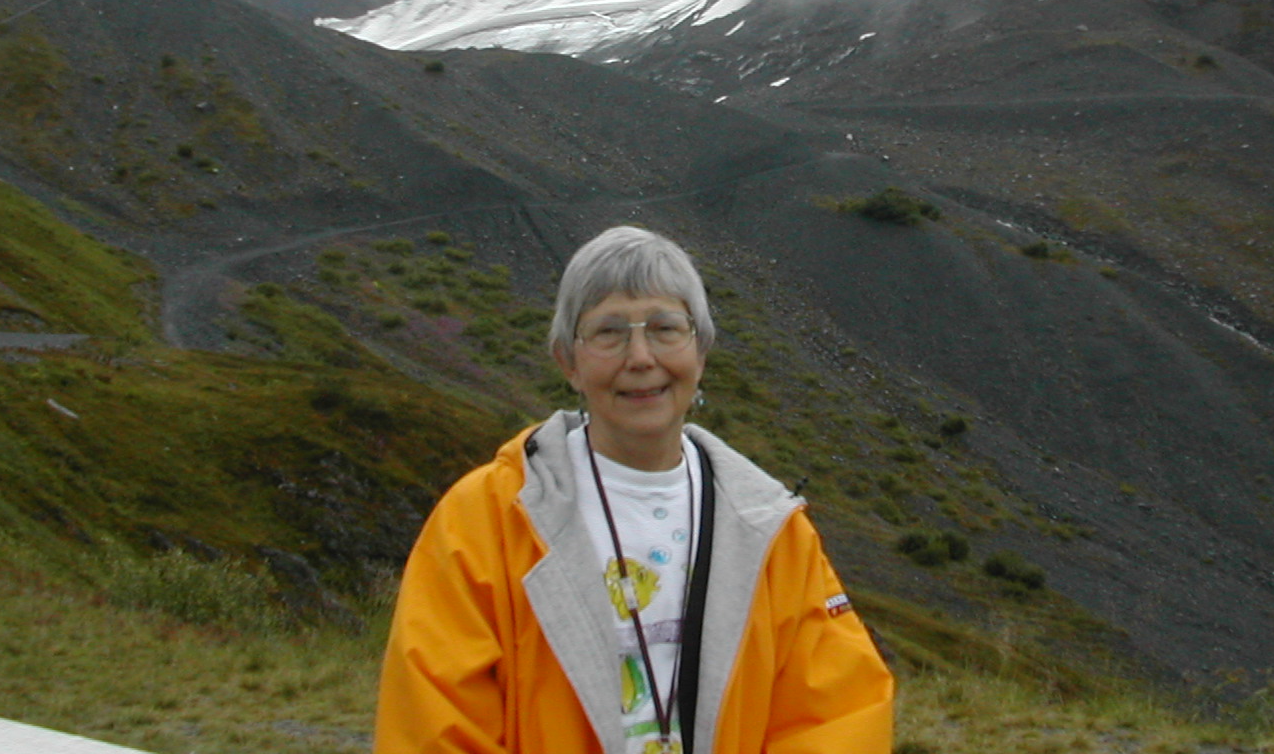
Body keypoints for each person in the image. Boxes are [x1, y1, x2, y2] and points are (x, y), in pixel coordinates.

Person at [374, 226, 893, 753]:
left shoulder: (770, 530)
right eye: (608, 332)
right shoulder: (483, 521)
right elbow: (434, 726)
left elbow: (836, 718)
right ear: (568, 363)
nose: (641, 357)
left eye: (666, 328)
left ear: (701, 352)